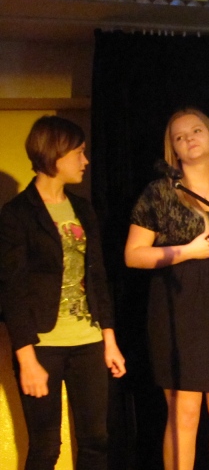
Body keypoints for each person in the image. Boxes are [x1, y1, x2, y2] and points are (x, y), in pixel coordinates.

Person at [0, 115, 127, 470]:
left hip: (89, 340)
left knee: (96, 441)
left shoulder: (83, 209)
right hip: (43, 345)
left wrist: (109, 340)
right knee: (46, 447)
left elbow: (97, 278)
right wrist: (27, 359)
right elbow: (12, 289)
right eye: (79, 153)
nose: (85, 161)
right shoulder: (17, 214)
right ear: (56, 154)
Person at [124, 108, 209, 470]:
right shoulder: (159, 193)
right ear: (173, 150)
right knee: (184, 415)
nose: (189, 139)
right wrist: (187, 251)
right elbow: (133, 255)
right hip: (177, 309)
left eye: (196, 131)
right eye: (180, 136)